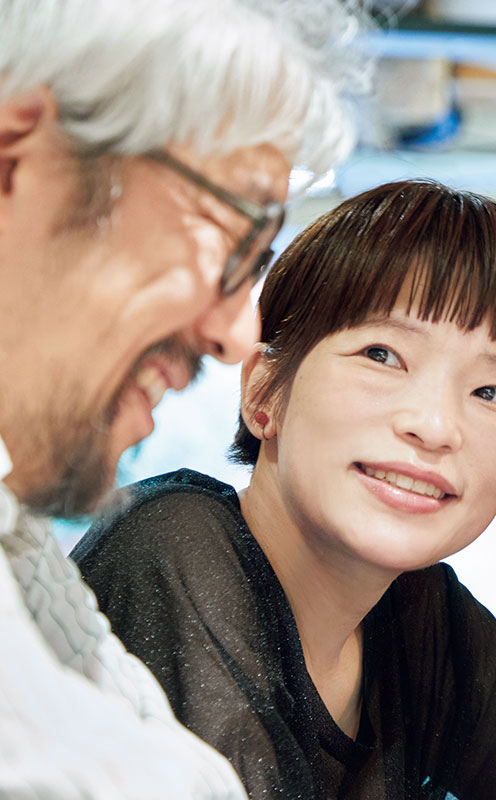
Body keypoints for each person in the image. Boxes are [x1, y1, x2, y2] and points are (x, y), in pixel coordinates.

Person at [75, 179, 496, 799]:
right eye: (382, 355)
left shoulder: (422, 615)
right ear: (264, 393)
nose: (436, 426)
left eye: (491, 392)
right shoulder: (176, 549)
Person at [0, 0, 365, 797]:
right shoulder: (177, 536)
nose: (239, 335)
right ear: (14, 158)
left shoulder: (16, 540)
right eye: (232, 241)